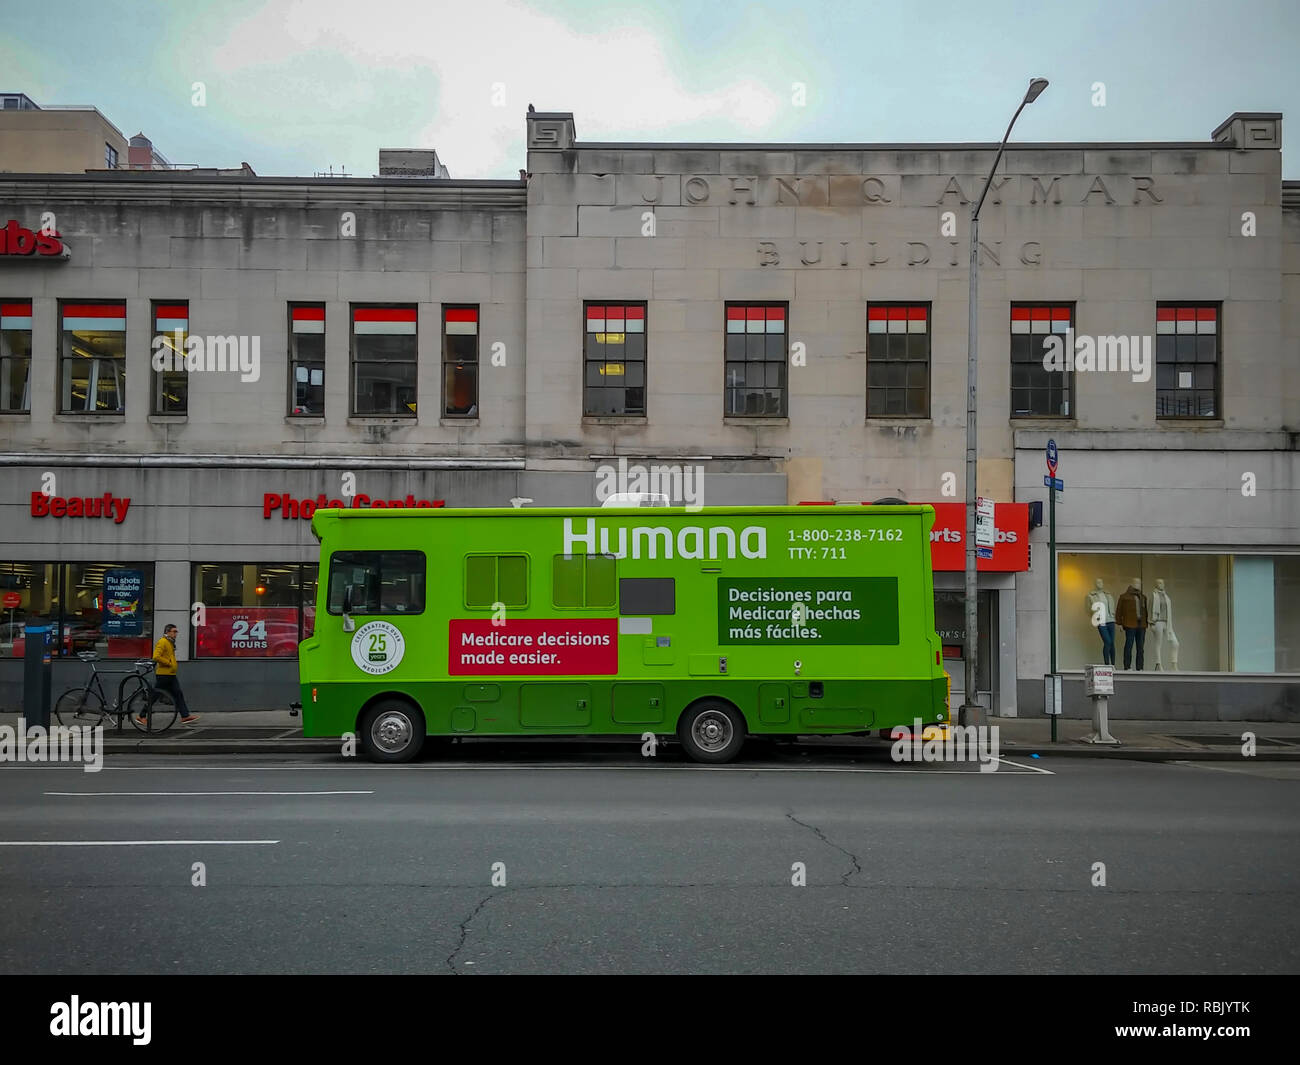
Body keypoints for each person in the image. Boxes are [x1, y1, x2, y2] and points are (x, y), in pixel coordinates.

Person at [139, 623, 199, 726]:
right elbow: (156, 657)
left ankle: (185, 716)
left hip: (170, 674)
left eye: (176, 631)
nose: (176, 634)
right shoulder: (163, 642)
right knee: (155, 696)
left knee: (178, 694)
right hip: (164, 674)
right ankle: (141, 715)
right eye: (174, 631)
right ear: (167, 632)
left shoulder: (170, 642)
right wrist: (169, 663)